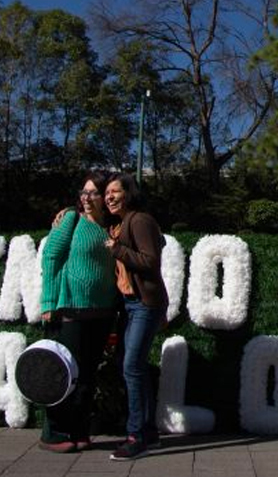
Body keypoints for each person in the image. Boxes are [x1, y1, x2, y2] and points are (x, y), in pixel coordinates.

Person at [37, 172, 119, 453]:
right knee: (64, 372)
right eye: (84, 192)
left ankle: (79, 430)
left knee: (87, 376)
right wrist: (48, 302)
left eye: (93, 193)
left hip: (102, 312)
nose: (87, 197)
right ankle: (53, 432)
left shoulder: (112, 227)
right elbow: (51, 256)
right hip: (70, 309)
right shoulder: (71, 219)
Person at [102, 172, 168, 462]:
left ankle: (136, 436)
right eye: (107, 193)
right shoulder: (116, 225)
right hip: (129, 304)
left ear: (129, 194)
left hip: (144, 304)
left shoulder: (139, 220)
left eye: (115, 192)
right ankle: (149, 432)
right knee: (132, 365)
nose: (109, 197)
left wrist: (117, 250)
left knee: (131, 366)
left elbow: (151, 261)